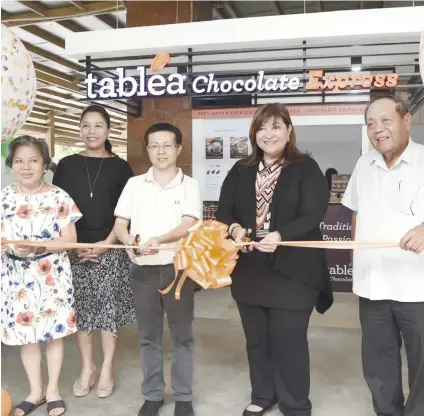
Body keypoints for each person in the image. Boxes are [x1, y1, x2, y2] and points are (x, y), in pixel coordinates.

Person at [216, 103, 333, 416]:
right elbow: (223, 210)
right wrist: (234, 227)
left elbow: (313, 212)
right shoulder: (241, 169)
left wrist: (280, 235)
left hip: (294, 272)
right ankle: (264, 394)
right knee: (257, 339)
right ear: (254, 133)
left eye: (276, 127)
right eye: (262, 128)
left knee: (289, 340)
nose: (269, 134)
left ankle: (295, 404)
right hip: (250, 270)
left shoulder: (305, 167)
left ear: (289, 131)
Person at [342, 95, 424, 416]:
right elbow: (356, 214)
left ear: (407, 121)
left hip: (416, 288)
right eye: (371, 124)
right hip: (372, 287)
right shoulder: (365, 163)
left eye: (386, 120)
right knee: (378, 363)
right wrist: (354, 255)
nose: (378, 130)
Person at [113, 122, 201, 416]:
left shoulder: (190, 185)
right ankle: (152, 393)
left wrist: (160, 239)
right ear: (147, 149)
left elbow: (188, 225)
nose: (161, 151)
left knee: (181, 336)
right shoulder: (134, 185)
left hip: (178, 271)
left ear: (178, 148)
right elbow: (120, 225)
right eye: (154, 145)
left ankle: (183, 395)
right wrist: (128, 242)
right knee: (148, 335)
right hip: (143, 273)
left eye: (167, 145)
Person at [52, 105, 136, 399]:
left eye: (98, 126)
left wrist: (106, 243)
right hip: (73, 248)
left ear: (109, 131)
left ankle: (107, 366)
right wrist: (74, 246)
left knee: (107, 311)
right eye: (86, 125)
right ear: (80, 129)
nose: (91, 131)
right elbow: (58, 209)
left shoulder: (122, 167)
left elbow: (127, 212)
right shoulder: (66, 164)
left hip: (110, 248)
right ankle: (87, 367)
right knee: (83, 312)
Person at [1, 136, 82, 416]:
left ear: (45, 164)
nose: (26, 167)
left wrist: (38, 246)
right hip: (15, 277)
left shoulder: (59, 196)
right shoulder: (4, 196)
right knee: (27, 336)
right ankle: (35, 391)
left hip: (51, 273)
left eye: (33, 160)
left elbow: (70, 241)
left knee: (53, 334)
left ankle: (53, 391)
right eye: (19, 161)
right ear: (11, 165)